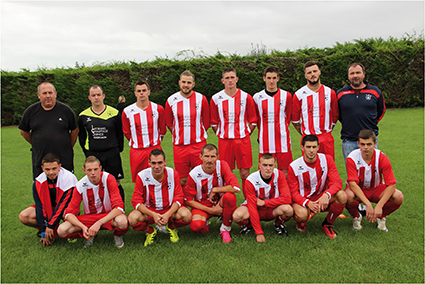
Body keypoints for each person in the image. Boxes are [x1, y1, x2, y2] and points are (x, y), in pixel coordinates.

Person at [57, 156, 129, 248]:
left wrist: (99, 223)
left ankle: (117, 235)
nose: (93, 173)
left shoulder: (109, 179)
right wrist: (83, 227)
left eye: (95, 169)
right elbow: (69, 213)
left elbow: (119, 208)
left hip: (108, 216)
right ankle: (89, 234)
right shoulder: (80, 185)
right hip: (90, 218)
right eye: (89, 170)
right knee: (62, 230)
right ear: (84, 170)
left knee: (122, 221)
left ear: (100, 168)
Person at [128, 149, 192, 246]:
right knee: (132, 219)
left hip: (169, 209)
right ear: (149, 162)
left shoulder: (173, 174)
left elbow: (179, 197)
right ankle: (150, 231)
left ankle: (171, 227)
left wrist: (167, 214)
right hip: (150, 210)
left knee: (187, 216)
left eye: (160, 163)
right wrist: (153, 214)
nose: (157, 166)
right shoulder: (141, 176)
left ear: (165, 162)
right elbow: (136, 201)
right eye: (153, 163)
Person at [288, 135, 346, 239]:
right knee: (301, 214)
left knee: (342, 195)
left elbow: (337, 182)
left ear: (318, 147)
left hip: (321, 198)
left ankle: (327, 224)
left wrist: (326, 195)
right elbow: (293, 192)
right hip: (304, 200)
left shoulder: (327, 160)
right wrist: (307, 203)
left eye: (314, 147)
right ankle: (301, 222)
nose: (311, 150)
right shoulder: (294, 166)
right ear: (302, 148)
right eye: (308, 147)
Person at [344, 129, 403, 232]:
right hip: (359, 189)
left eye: (369, 144)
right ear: (358, 143)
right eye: (362, 144)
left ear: (375, 143)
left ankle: (380, 216)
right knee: (346, 196)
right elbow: (352, 184)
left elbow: (392, 184)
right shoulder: (352, 157)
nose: (365, 147)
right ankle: (356, 216)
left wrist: (379, 206)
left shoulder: (382, 157)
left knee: (398, 196)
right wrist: (368, 204)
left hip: (377, 189)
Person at [19, 82, 79, 179]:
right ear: (39, 95)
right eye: (44, 93)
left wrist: (67, 145)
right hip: (40, 158)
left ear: (55, 94)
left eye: (50, 93)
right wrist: (35, 143)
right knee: (42, 190)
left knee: (67, 189)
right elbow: (23, 131)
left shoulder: (66, 110)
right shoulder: (31, 111)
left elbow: (75, 130)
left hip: (64, 158)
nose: (48, 96)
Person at [210, 68, 257, 190]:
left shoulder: (246, 97)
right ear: (222, 80)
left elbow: (253, 120)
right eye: (227, 78)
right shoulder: (216, 98)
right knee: (226, 173)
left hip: (242, 140)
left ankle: (248, 201)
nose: (230, 80)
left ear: (237, 79)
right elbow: (214, 122)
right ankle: (227, 203)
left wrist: (245, 133)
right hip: (225, 141)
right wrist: (222, 134)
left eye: (232, 77)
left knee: (245, 173)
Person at [18, 153, 78, 246]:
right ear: (42, 168)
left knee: (67, 213)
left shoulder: (69, 179)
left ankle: (72, 234)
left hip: (64, 208)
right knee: (24, 216)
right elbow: (39, 206)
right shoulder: (38, 181)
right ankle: (48, 233)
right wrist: (43, 229)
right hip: (49, 208)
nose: (51, 172)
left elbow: (63, 205)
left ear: (59, 166)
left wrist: (50, 226)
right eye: (47, 169)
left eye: (54, 168)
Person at [78, 85, 125, 201]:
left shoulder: (114, 113)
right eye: (93, 95)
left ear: (103, 96)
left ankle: (120, 209)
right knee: (94, 182)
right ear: (89, 97)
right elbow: (82, 137)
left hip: (112, 153)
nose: (96, 97)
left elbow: (120, 133)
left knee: (115, 182)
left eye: (98, 95)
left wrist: (116, 149)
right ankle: (97, 210)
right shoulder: (83, 116)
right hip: (94, 153)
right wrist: (88, 152)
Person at [184, 144, 240, 243]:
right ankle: (205, 222)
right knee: (196, 226)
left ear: (218, 157)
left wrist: (215, 190)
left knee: (230, 197)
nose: (209, 160)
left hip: (219, 203)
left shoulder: (222, 165)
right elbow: (188, 200)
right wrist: (211, 210)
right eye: (206, 156)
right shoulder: (194, 174)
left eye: (213, 156)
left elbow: (236, 188)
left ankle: (225, 229)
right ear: (201, 157)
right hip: (202, 205)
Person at [233, 153, 293, 243]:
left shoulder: (279, 175)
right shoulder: (250, 180)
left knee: (288, 210)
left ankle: (278, 225)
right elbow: (252, 207)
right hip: (256, 208)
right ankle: (248, 226)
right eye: (265, 165)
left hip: (272, 208)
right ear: (259, 166)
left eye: (270, 165)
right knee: (237, 216)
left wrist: (265, 203)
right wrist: (259, 233)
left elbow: (287, 198)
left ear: (274, 165)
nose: (268, 168)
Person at [165, 70, 210, 188]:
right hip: (180, 147)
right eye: (184, 82)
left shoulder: (201, 99)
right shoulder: (171, 100)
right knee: (182, 180)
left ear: (193, 84)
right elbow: (169, 123)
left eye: (189, 82)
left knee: (201, 177)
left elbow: (206, 122)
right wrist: (181, 134)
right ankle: (183, 205)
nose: (186, 85)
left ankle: (201, 204)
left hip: (198, 145)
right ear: (179, 83)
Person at [337, 63, 386, 161]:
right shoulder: (340, 94)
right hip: (349, 141)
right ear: (348, 76)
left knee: (371, 172)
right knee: (352, 174)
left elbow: (381, 110)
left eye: (358, 73)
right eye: (352, 73)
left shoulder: (375, 91)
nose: (355, 76)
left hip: (369, 140)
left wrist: (371, 122)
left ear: (363, 74)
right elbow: (338, 114)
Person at [292, 61, 339, 160]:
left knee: (328, 168)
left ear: (319, 72)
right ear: (305, 75)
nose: (312, 74)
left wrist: (326, 131)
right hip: (308, 138)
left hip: (326, 138)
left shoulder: (330, 93)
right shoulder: (299, 94)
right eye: (309, 72)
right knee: (310, 169)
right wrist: (306, 134)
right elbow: (295, 120)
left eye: (314, 71)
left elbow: (335, 116)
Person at [122, 80, 166, 183]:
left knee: (158, 178)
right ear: (135, 93)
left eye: (144, 90)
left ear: (149, 92)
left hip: (154, 148)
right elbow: (127, 132)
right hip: (137, 151)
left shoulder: (158, 109)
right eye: (139, 91)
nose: (141, 93)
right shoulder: (127, 111)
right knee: (139, 181)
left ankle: (158, 198)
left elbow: (162, 130)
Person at [253, 66, 293, 176]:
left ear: (278, 78)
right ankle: (267, 193)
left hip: (282, 139)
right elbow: (256, 118)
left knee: (285, 170)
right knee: (265, 171)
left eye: (274, 78)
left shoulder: (286, 95)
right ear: (264, 78)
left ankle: (283, 193)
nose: (271, 81)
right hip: (265, 140)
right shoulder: (257, 97)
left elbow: (288, 116)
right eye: (269, 78)